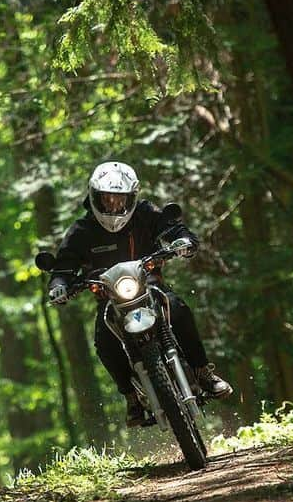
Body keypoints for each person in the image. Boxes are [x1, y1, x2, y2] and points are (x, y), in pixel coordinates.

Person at [47, 161, 232, 426]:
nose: (113, 205)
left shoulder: (145, 213)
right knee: (104, 341)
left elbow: (171, 227)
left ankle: (203, 372)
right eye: (107, 198)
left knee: (178, 309)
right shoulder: (82, 230)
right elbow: (64, 263)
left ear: (131, 198)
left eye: (119, 199)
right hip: (111, 300)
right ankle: (131, 397)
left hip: (151, 287)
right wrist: (59, 285)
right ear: (94, 198)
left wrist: (184, 241)